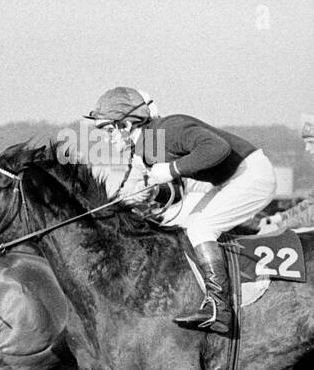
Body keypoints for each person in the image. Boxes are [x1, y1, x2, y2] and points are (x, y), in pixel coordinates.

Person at [85, 87, 276, 335]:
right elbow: (177, 191)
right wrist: (154, 193)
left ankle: (221, 308)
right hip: (227, 179)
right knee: (187, 222)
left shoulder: (169, 130)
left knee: (201, 226)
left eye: (110, 130)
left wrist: (172, 169)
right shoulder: (146, 149)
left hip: (252, 174)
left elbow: (217, 149)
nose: (107, 138)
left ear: (128, 125)